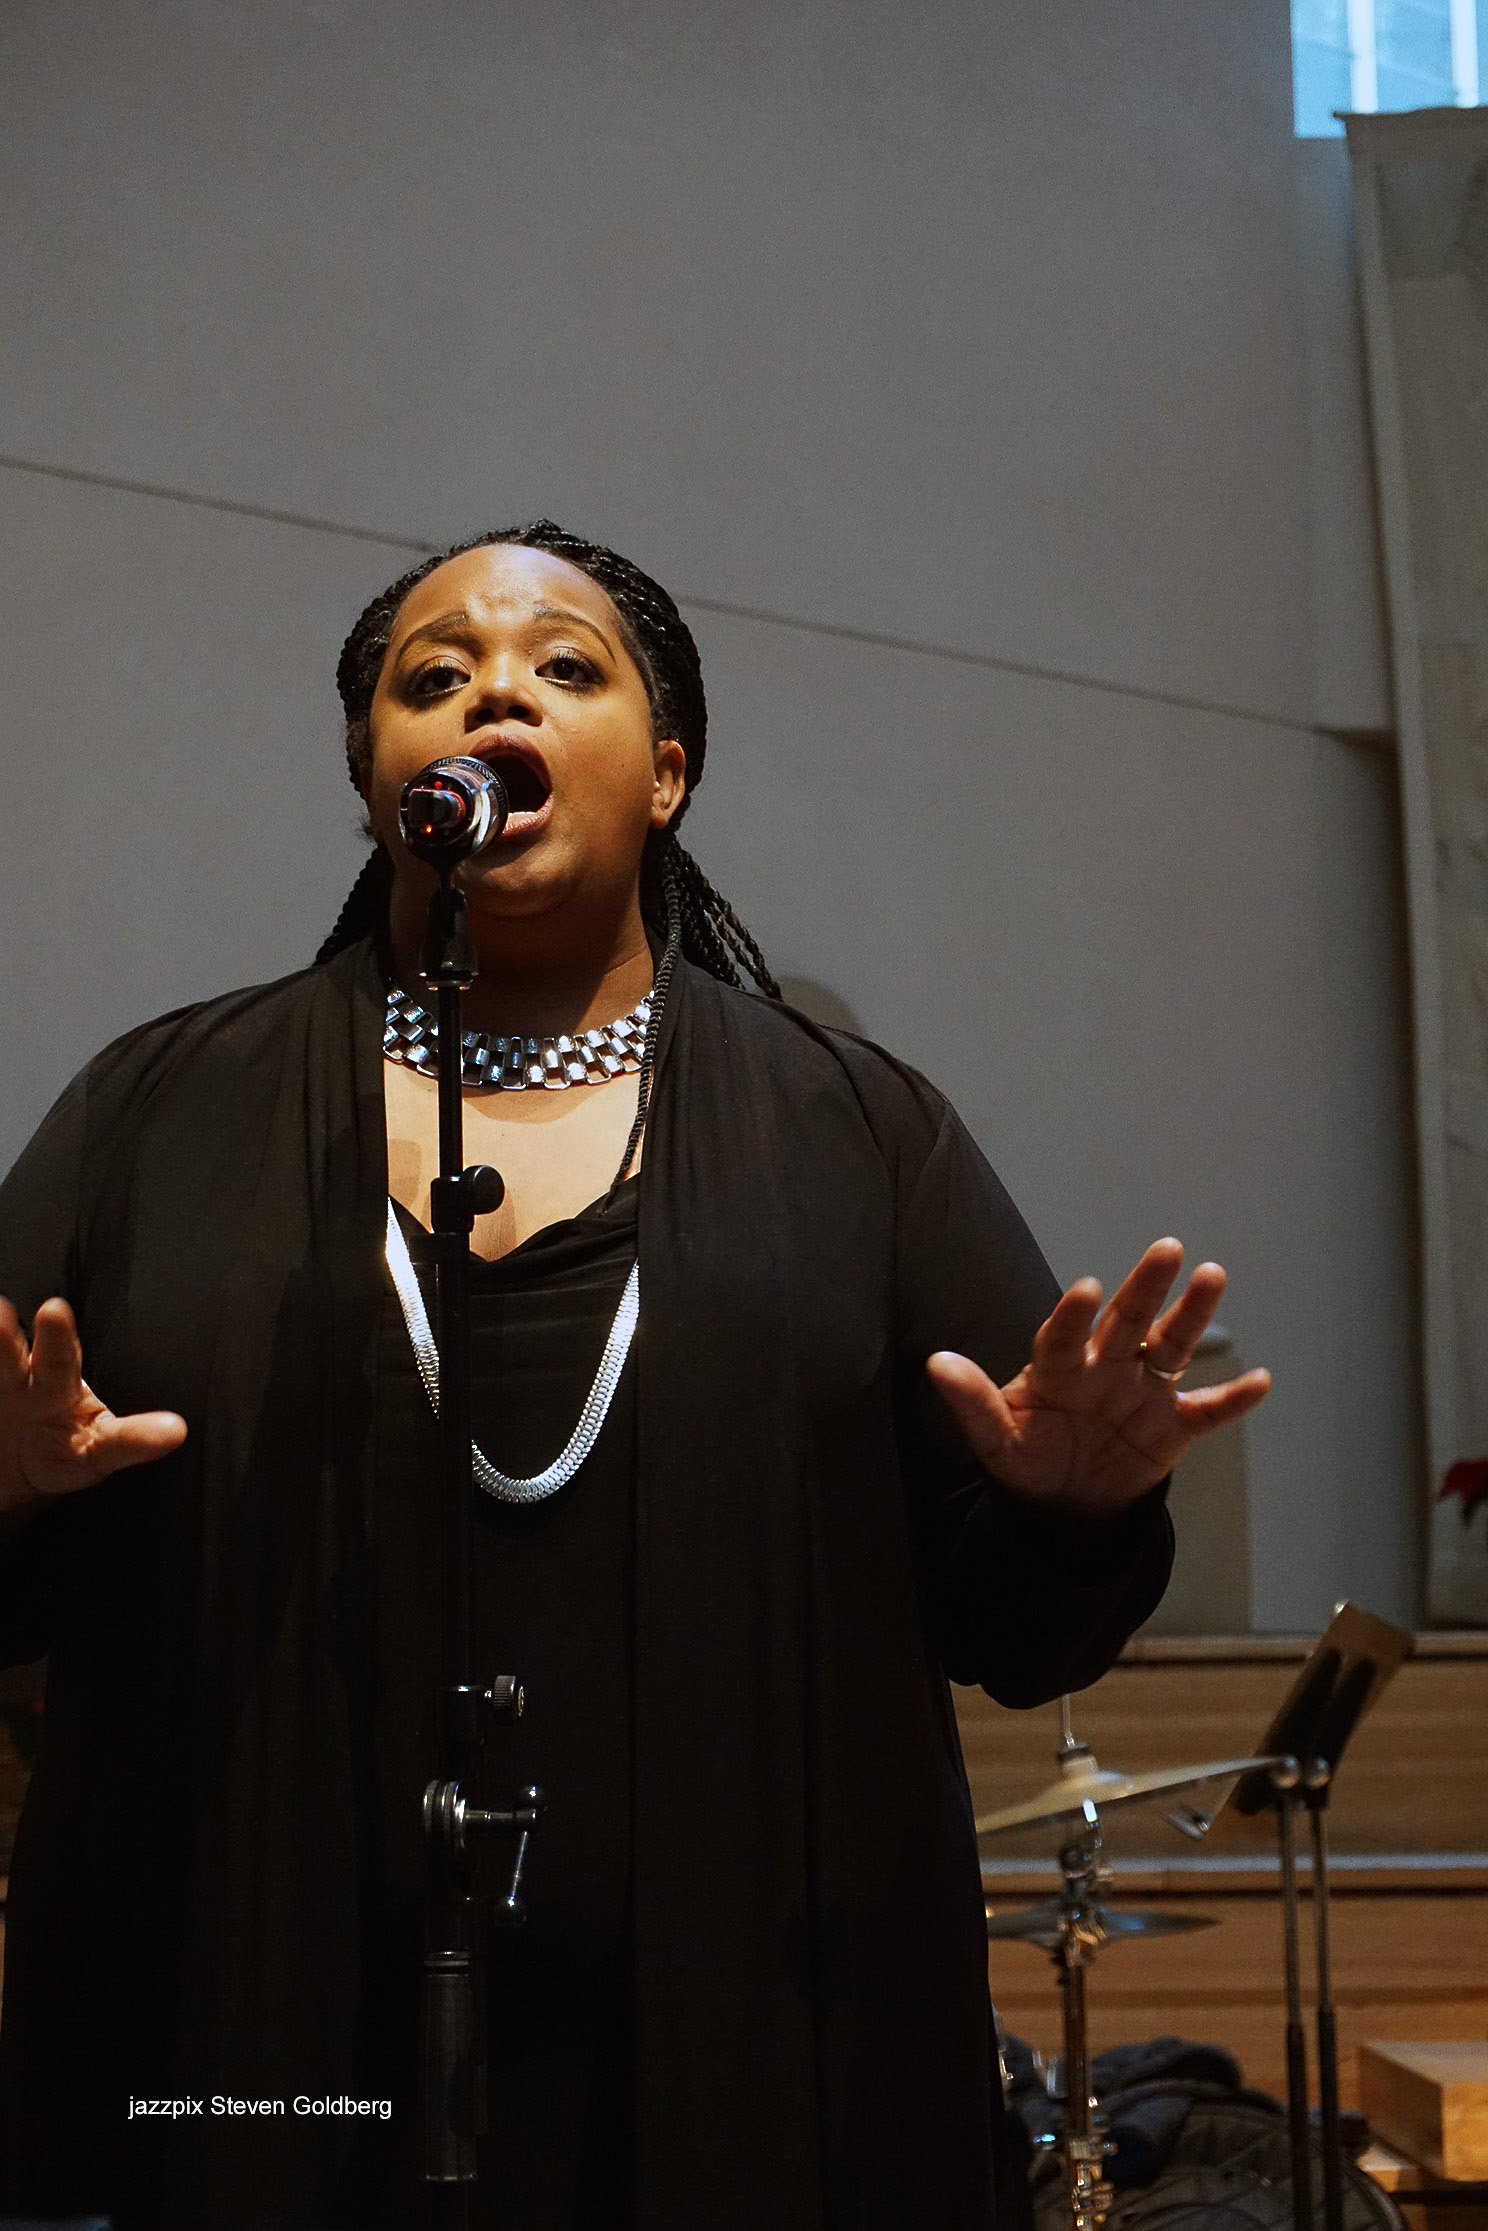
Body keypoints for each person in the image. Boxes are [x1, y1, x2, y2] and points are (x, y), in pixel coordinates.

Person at [0, 522, 1270, 2231]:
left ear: (666, 774)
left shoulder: (856, 1132)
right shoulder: (160, 1118)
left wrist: (1066, 1513)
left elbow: (1020, 1630)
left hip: (752, 2078)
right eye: (429, 676)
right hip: (259, 2064)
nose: (490, 691)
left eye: (563, 666)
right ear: (375, 769)